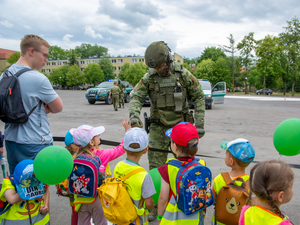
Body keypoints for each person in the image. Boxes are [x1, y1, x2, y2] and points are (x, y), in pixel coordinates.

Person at [129, 41, 205, 220]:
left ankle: (187, 199)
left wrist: (199, 124)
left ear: (169, 60)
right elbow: (136, 97)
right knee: (156, 168)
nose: (158, 70)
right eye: (155, 68)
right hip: (158, 127)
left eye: (161, 66)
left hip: (181, 129)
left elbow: (199, 96)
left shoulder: (183, 74)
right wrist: (134, 116)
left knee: (185, 166)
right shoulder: (150, 77)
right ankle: (156, 205)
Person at [0, 34, 63, 174]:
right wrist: (44, 107)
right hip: (35, 141)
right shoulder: (38, 78)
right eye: (44, 55)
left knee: (18, 183)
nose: (46, 60)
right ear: (32, 51)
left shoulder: (4, 75)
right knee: (39, 186)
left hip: (11, 140)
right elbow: (58, 107)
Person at [72, 120, 131, 225]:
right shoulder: (101, 155)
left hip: (80, 198)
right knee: (101, 222)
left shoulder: (75, 157)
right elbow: (120, 149)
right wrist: (127, 132)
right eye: (97, 135)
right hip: (97, 198)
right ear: (91, 142)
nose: (99, 136)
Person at [157, 122, 207, 225]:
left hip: (175, 217)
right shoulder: (201, 164)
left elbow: (163, 198)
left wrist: (159, 216)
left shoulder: (168, 168)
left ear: (174, 147)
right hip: (196, 215)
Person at [114, 127, 156, 225]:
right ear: (146, 150)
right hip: (135, 219)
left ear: (124, 148)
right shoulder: (144, 175)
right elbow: (149, 203)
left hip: (119, 215)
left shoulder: (118, 166)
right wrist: (151, 209)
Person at [212, 138, 255, 225]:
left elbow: (212, 199)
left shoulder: (220, 178)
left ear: (231, 161)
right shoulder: (251, 183)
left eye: (226, 155)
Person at [239, 160, 294, 225]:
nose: (292, 190)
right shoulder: (280, 223)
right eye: (291, 187)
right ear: (280, 196)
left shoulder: (248, 211)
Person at [0, 159, 50, 224]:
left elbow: (46, 190)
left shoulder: (39, 177)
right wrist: (34, 192)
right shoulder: (9, 182)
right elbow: (12, 199)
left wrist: (45, 205)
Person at [55, 128, 79, 225]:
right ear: (69, 145)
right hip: (72, 189)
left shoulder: (69, 155)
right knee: (76, 211)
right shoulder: (68, 157)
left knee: (77, 211)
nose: (78, 146)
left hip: (75, 189)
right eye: (75, 144)